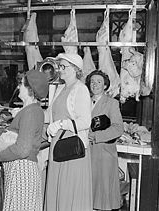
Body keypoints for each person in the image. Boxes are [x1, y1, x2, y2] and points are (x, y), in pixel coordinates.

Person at [0, 69, 49, 211]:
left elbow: (22, 149)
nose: (18, 87)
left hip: (22, 171)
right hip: (19, 170)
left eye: (21, 84)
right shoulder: (30, 110)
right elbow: (11, 138)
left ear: (30, 89)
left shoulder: (30, 112)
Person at [44, 53, 93, 211]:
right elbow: (50, 114)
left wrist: (61, 124)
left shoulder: (81, 89)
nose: (60, 69)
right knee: (57, 186)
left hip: (72, 146)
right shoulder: (59, 88)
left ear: (75, 69)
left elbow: (86, 121)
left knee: (69, 188)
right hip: (58, 143)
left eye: (63, 66)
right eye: (60, 66)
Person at [85, 70, 124, 211]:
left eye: (99, 82)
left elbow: (118, 128)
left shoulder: (111, 103)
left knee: (102, 196)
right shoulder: (84, 101)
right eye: (92, 82)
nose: (95, 85)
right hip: (86, 153)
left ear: (105, 86)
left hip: (103, 155)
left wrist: (96, 136)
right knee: (88, 193)